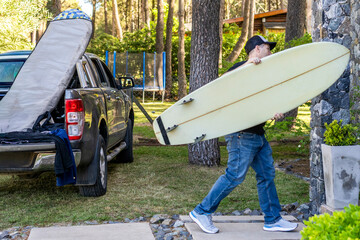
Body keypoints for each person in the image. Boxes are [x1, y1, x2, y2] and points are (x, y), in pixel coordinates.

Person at [189, 35, 298, 234]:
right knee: (234, 176)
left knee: (266, 175)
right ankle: (202, 211)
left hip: (257, 134)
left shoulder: (263, 75)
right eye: (268, 48)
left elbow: (262, 103)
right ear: (257, 49)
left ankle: (273, 220)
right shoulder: (240, 68)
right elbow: (220, 84)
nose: (270, 52)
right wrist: (248, 64)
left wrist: (276, 112)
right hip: (241, 134)